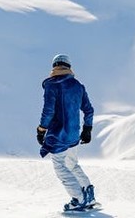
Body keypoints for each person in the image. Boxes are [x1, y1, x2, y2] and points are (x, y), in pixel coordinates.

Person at [36, 54, 97, 211]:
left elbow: (48, 110)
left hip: (59, 134)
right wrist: (87, 129)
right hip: (73, 134)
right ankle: (88, 194)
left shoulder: (52, 85)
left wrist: (41, 129)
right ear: (69, 67)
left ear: (54, 66)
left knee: (60, 167)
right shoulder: (78, 86)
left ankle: (79, 198)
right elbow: (88, 110)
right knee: (72, 164)